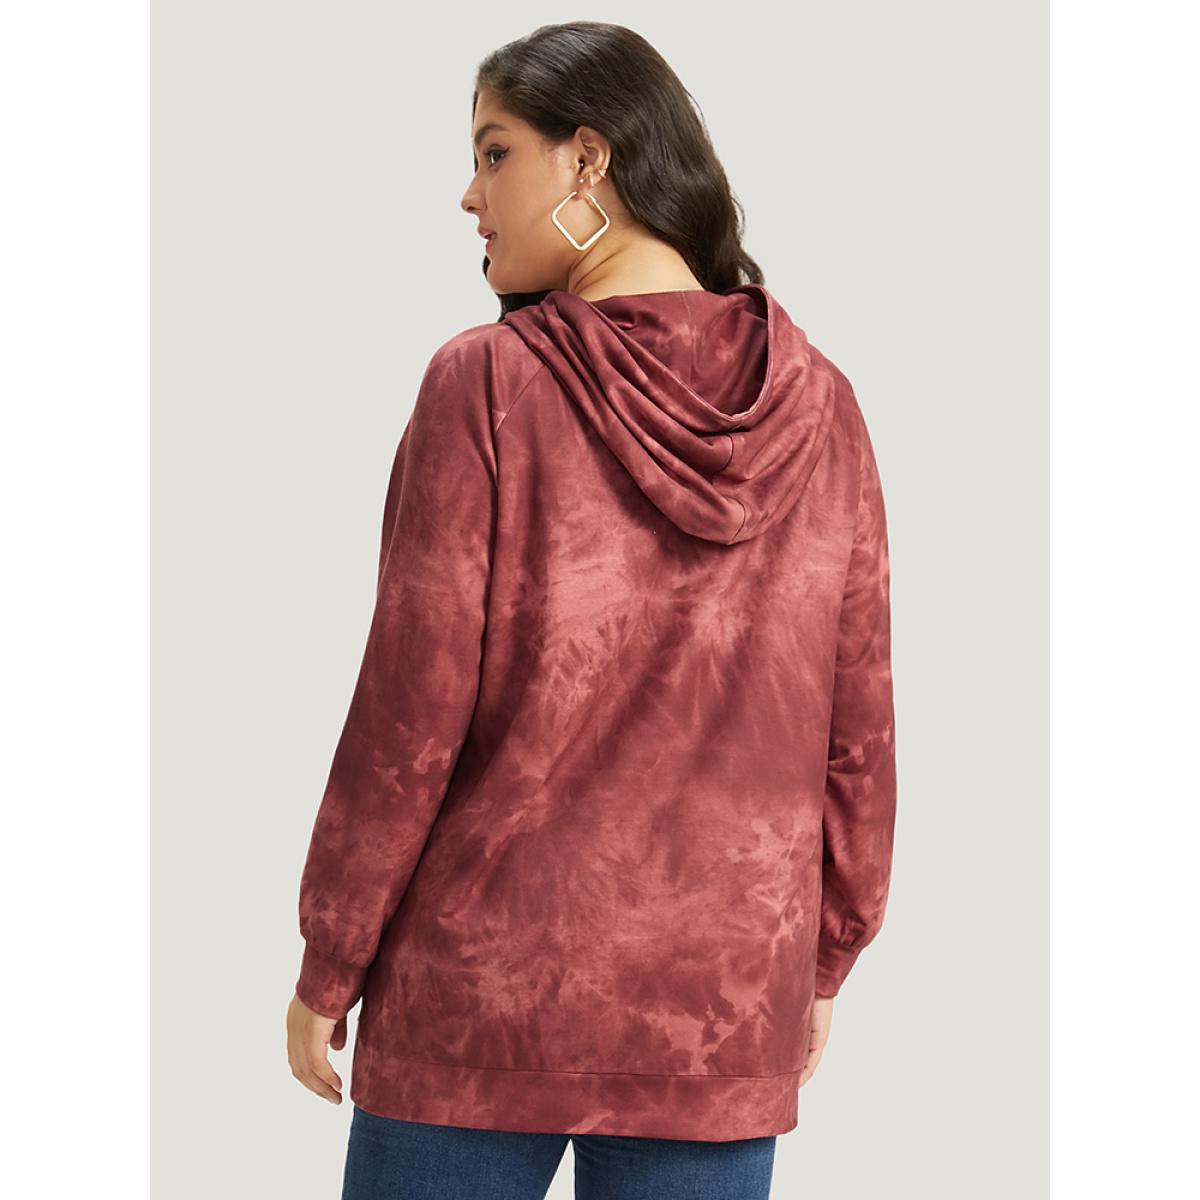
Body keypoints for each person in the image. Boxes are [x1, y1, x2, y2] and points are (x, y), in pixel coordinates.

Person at [285, 20, 897, 1200]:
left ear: (589, 160)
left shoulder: (489, 383)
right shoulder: (824, 407)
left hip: (478, 1005)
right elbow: (857, 732)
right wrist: (824, 958)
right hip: (718, 1007)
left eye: (494, 152)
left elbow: (408, 715)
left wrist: (331, 957)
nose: (470, 196)